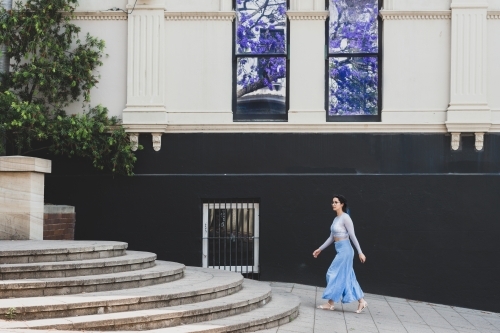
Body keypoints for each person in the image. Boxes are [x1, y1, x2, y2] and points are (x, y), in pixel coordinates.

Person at [312, 195, 368, 313]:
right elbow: (332, 237)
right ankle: (362, 302)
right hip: (340, 250)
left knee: (332, 273)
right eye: (332, 202)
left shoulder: (345, 217)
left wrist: (360, 252)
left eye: (336, 202)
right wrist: (320, 249)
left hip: (346, 251)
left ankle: (330, 303)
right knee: (348, 277)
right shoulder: (336, 219)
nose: (333, 204)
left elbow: (352, 235)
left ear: (342, 204)